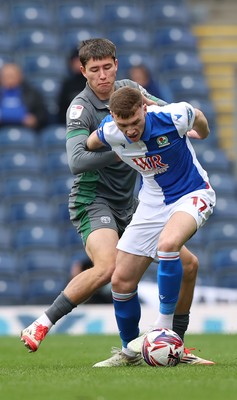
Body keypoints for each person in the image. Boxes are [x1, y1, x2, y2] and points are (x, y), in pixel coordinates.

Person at [21, 38, 213, 366]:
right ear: (82, 71)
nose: (102, 76)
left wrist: (177, 130)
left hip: (136, 201)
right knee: (110, 268)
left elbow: (163, 112)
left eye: (107, 67)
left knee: (189, 265)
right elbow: (77, 160)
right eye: (94, 70)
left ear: (116, 64)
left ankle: (173, 345)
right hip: (94, 198)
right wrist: (128, 149)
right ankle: (45, 324)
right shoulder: (81, 109)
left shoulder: (129, 90)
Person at [86, 86, 216, 367]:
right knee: (120, 281)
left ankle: (164, 332)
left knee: (168, 245)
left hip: (192, 194)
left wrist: (201, 134)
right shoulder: (111, 130)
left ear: (144, 109)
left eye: (135, 122)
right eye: (124, 125)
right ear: (113, 117)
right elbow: (90, 143)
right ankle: (129, 352)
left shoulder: (172, 116)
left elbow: (199, 116)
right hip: (151, 204)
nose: (130, 130)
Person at [0, 63, 48, 130]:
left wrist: (34, 119)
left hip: (25, 129)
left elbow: (42, 113)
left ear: (20, 76)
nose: (9, 80)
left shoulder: (31, 93)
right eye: (5, 77)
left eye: (11, 76)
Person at [57, 47, 87, 124]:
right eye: (75, 61)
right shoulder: (67, 85)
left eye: (80, 61)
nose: (78, 64)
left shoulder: (93, 82)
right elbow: (62, 110)